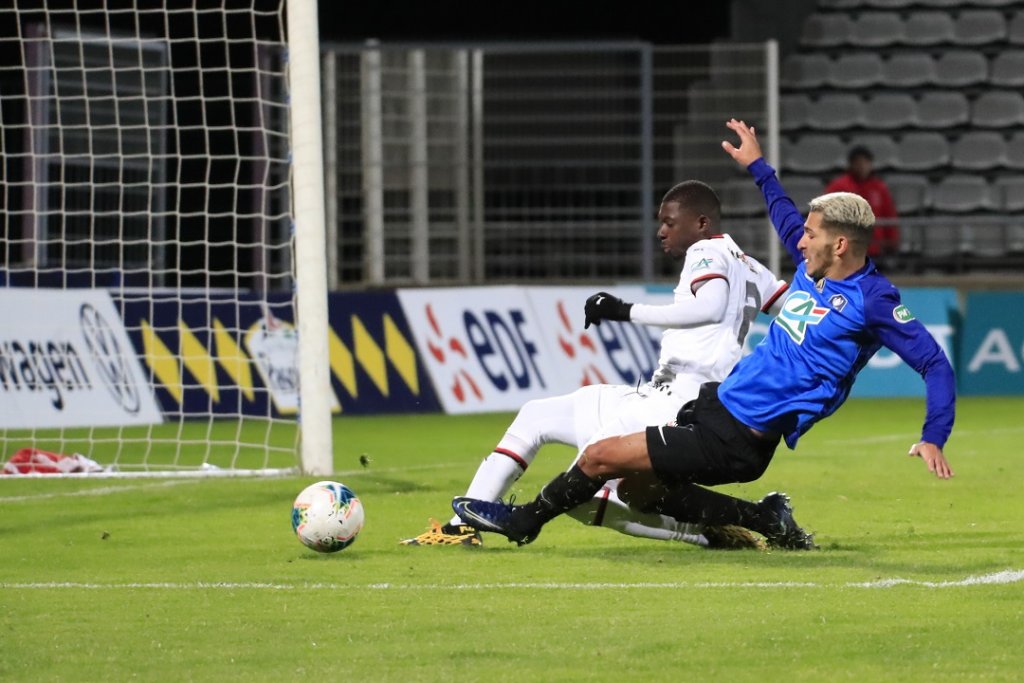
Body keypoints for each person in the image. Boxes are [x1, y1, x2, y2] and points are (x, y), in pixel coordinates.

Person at [452, 118, 955, 549]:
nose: (800, 238)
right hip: (717, 404)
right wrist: (758, 165)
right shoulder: (812, 269)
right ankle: (766, 518)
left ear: (840, 244)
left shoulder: (874, 301)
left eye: (811, 233)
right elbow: (782, 213)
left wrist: (933, 436)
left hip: (740, 433)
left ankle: (522, 524)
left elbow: (933, 362)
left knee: (600, 456)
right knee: (637, 491)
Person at [402, 179, 789, 549]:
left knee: (586, 486)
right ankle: (460, 529)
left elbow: (711, 306)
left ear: (701, 223)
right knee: (537, 415)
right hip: (660, 394)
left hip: (677, 404)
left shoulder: (704, 251)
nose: (661, 231)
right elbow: (791, 313)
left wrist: (625, 311)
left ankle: (706, 534)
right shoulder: (752, 265)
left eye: (670, 222)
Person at [825, 146, 899, 260]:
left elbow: (889, 215)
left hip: (875, 249)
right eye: (858, 163)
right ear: (851, 164)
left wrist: (892, 242)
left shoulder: (879, 188)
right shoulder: (838, 187)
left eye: (865, 162)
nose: (862, 166)